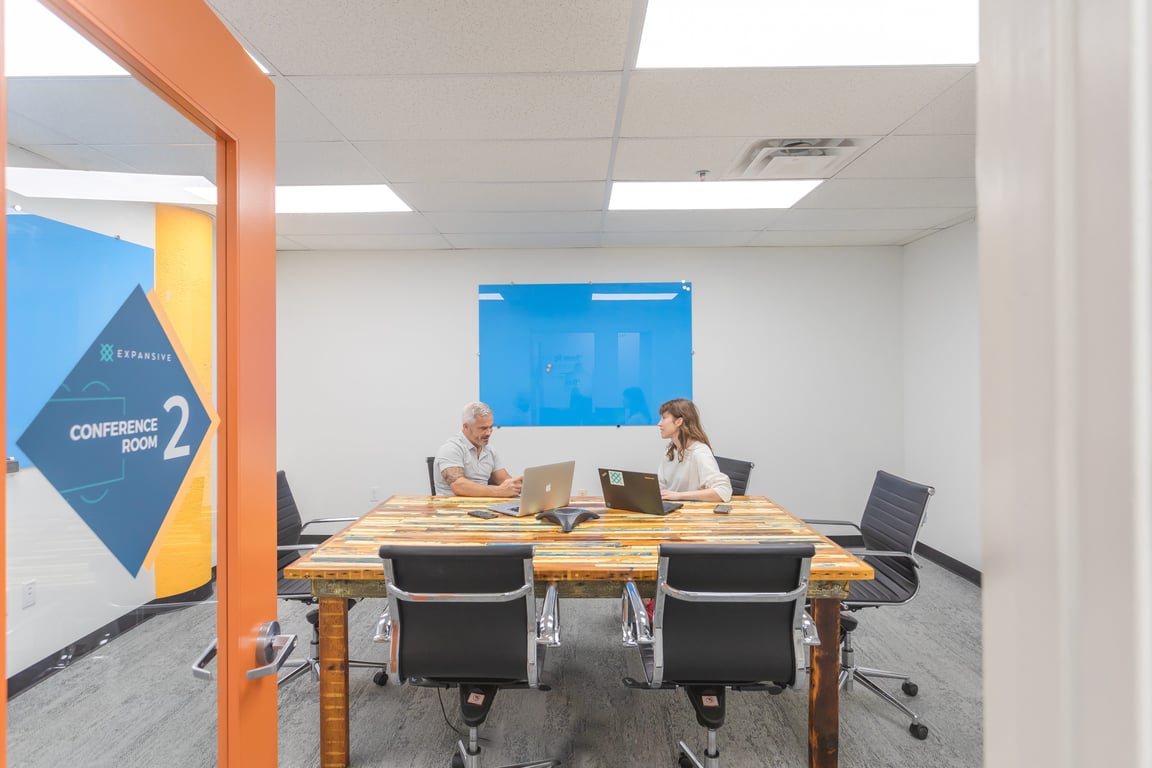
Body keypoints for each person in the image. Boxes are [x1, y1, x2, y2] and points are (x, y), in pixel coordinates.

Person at [433, 402, 522, 497]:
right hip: (453, 509)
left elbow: (504, 480)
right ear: (466, 426)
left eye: (491, 427)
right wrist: (499, 491)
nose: (488, 433)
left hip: (482, 508)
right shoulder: (451, 449)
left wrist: (522, 485)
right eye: (483, 428)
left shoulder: (489, 450)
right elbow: (459, 486)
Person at [656, 398, 733, 503]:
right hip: (673, 512)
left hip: (692, 515)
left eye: (664, 418)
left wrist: (679, 496)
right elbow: (661, 485)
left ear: (679, 421)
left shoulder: (700, 452)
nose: (659, 424)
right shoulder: (670, 451)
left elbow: (723, 491)